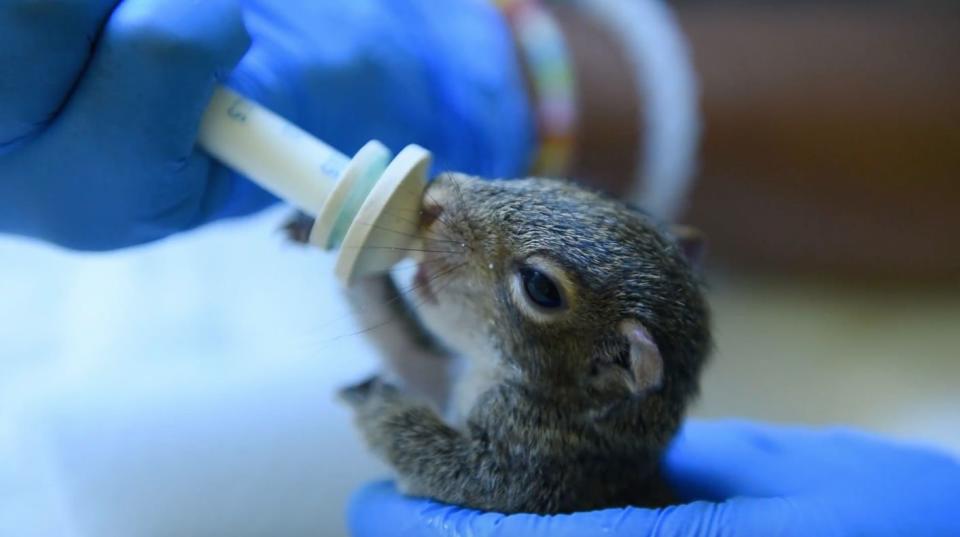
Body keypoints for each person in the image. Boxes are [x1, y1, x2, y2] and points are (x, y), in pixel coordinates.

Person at [2, 1, 957, 535]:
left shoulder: (538, 432)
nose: (451, 202)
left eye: (540, 286)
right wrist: (499, 82)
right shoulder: (529, 348)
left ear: (615, 367)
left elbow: (441, 441)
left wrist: (386, 412)